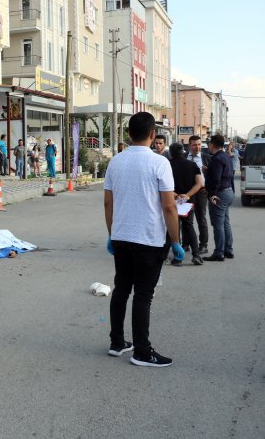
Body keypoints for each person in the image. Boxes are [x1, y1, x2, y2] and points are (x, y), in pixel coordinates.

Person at [103, 112, 183, 367]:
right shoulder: (159, 163)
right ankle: (142, 351)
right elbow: (169, 207)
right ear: (152, 135)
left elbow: (108, 202)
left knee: (122, 289)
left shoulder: (116, 161)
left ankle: (117, 342)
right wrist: (176, 240)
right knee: (143, 295)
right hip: (148, 238)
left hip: (122, 237)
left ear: (128, 134)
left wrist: (111, 234)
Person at [168, 142, 204, 266]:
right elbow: (199, 183)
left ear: (171, 153)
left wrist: (175, 195)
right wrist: (187, 195)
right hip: (188, 202)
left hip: (171, 201)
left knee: (174, 228)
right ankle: (196, 255)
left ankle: (178, 258)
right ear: (183, 151)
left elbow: (161, 185)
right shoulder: (192, 165)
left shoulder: (167, 165)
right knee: (189, 226)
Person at [203, 135, 234, 262]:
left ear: (213, 144)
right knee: (225, 222)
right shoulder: (226, 156)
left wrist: (212, 194)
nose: (209, 146)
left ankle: (219, 252)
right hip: (228, 192)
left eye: (209, 143)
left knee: (218, 224)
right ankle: (228, 249)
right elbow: (228, 174)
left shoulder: (216, 159)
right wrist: (208, 170)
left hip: (219, 193)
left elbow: (216, 179)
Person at [187, 135, 211, 254]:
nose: (197, 147)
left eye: (199, 144)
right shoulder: (185, 157)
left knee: (201, 218)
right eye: (194, 145)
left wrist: (209, 187)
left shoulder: (206, 158)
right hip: (187, 192)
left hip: (201, 192)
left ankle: (203, 245)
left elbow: (213, 176)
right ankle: (186, 243)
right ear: (189, 145)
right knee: (187, 219)